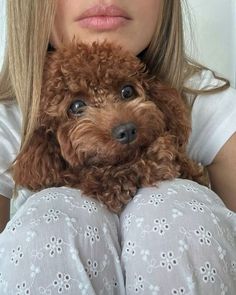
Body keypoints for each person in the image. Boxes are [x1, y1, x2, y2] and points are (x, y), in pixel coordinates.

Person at [0, 0, 235, 294]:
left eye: (127, 92)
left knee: (176, 207)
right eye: (77, 107)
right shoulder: (9, 121)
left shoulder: (207, 103)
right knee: (53, 219)